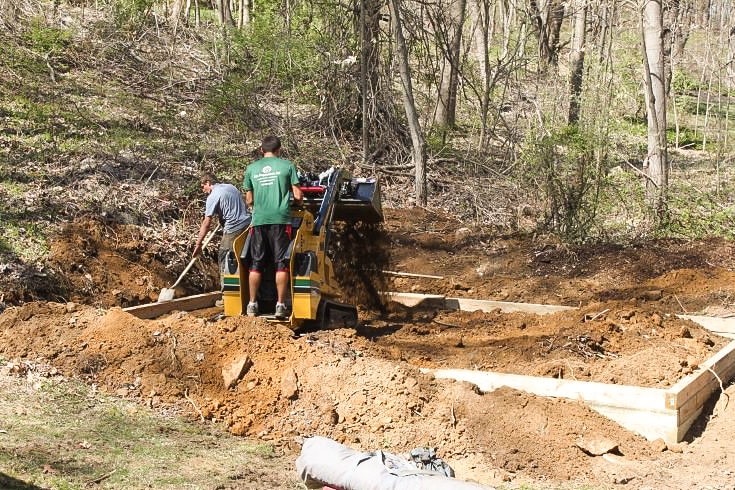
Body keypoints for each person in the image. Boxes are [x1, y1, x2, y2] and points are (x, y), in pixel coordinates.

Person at [242, 135, 303, 318]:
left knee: (256, 264)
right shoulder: (287, 166)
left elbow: (249, 199)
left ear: (261, 150)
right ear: (279, 150)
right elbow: (298, 196)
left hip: (259, 222)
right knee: (281, 264)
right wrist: (296, 204)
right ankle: (280, 305)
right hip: (281, 221)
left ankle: (252, 305)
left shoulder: (251, 169)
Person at [194, 173, 251, 287]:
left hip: (234, 228)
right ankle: (245, 288)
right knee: (244, 256)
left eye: (202, 186)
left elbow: (206, 223)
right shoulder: (230, 187)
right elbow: (244, 203)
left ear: (208, 183)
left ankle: (226, 293)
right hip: (248, 224)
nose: (203, 190)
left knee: (225, 257)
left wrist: (198, 244)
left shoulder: (213, 196)